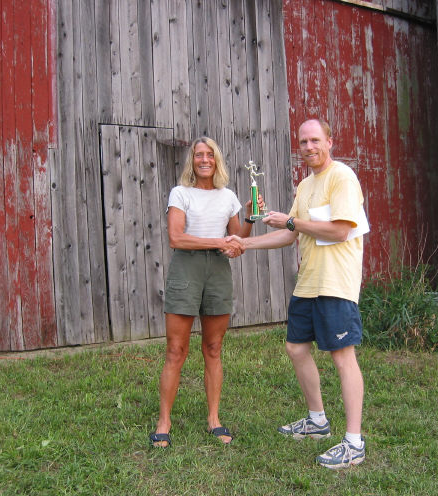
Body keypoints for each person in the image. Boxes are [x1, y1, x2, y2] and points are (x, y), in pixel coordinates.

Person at [229, 119, 366, 469]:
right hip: (308, 283)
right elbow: (289, 234)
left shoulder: (342, 178)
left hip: (336, 283)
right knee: (295, 347)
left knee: (341, 356)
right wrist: (245, 243)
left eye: (315, 140)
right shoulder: (305, 185)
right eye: (303, 142)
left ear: (329, 141)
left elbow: (339, 231)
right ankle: (317, 421)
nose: (308, 147)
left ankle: (354, 443)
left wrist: (291, 222)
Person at [150, 136, 261, 448]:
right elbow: (177, 238)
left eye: (209, 155)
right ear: (192, 161)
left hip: (217, 272)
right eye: (198, 155)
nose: (204, 160)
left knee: (213, 348)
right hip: (186, 269)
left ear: (217, 161)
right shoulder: (180, 193)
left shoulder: (228, 197)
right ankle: (164, 422)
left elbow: (237, 239)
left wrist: (250, 216)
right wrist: (219, 242)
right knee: (176, 350)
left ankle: (214, 419)